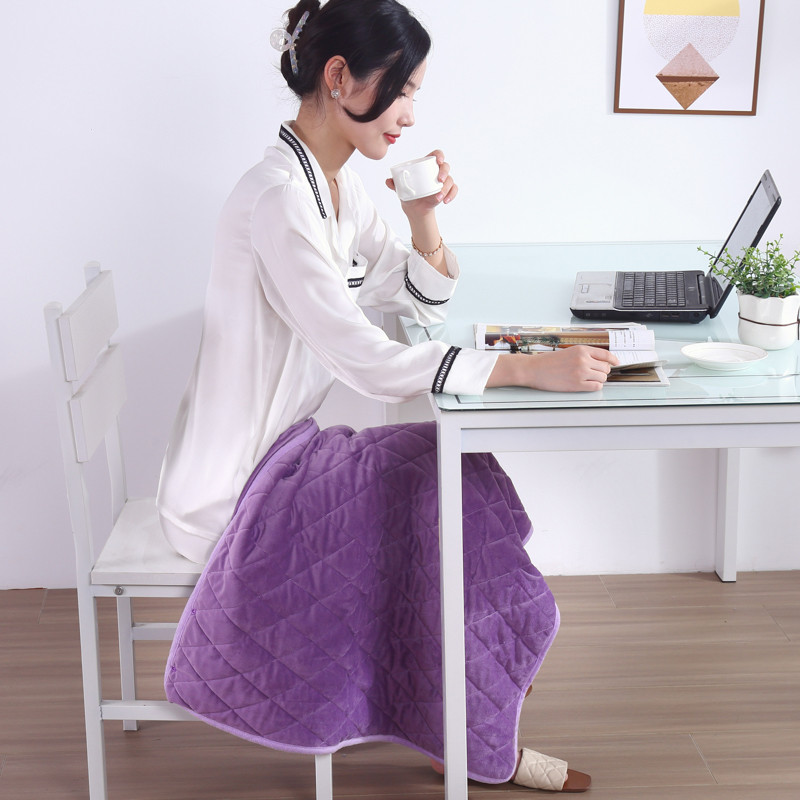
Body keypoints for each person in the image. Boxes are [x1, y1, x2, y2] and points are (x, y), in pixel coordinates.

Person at [158, 0, 611, 792]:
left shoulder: (333, 185)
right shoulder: (278, 201)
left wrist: (422, 216)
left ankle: (462, 711)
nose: (408, 115)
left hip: (290, 450)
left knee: (451, 469)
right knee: (428, 481)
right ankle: (465, 724)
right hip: (239, 482)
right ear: (339, 78)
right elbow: (365, 359)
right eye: (400, 90)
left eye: (414, 95)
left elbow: (413, 295)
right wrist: (522, 370)